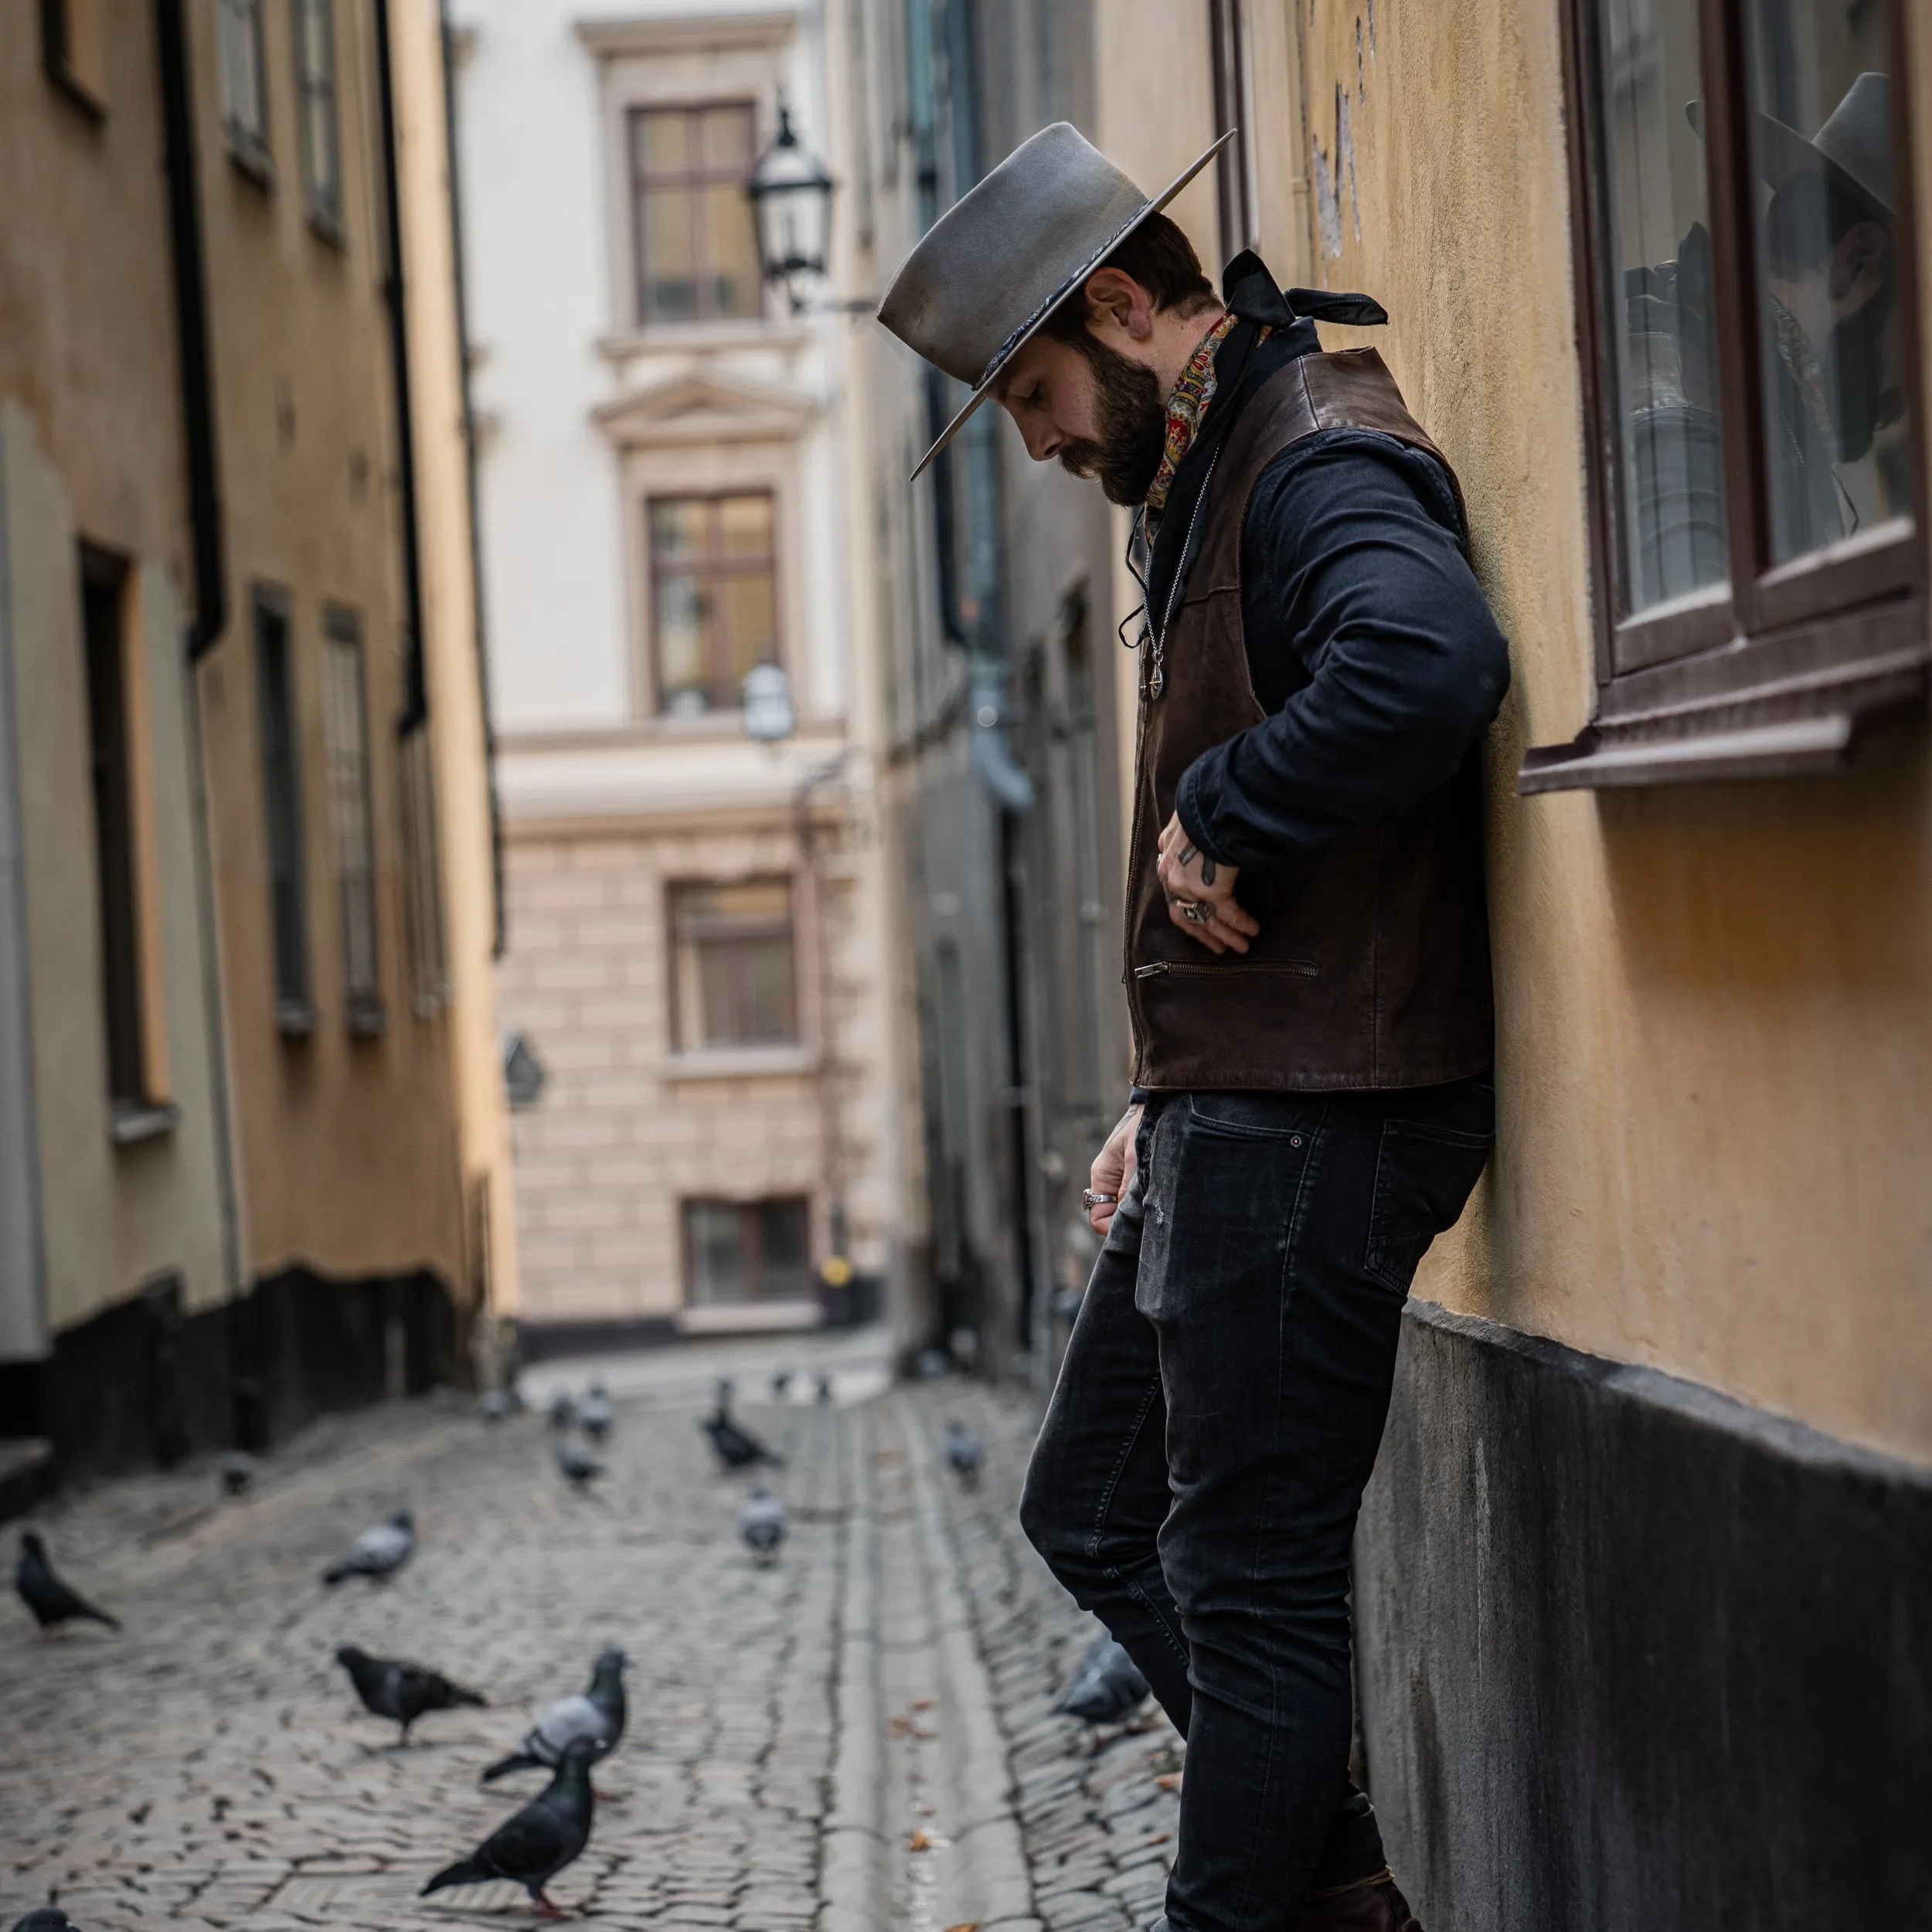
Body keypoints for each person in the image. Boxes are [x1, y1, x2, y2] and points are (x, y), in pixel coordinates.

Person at [878, 126, 1509, 1932]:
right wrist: (1163, 1087)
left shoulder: (1307, 460)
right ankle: (1336, 1886)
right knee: (1086, 1505)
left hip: (1324, 1126)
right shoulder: (1213, 463)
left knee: (1249, 1589)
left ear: (1117, 307)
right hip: (1243, 1112)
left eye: (1036, 397)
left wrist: (1227, 799)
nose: (1046, 442)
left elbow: (1425, 659)